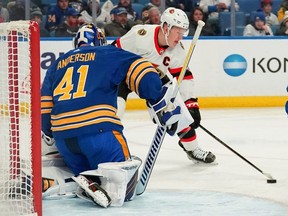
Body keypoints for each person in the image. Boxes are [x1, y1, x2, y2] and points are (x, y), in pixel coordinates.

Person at [41, 23, 181, 207]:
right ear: (100, 40)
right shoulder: (107, 53)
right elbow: (142, 70)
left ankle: (71, 181)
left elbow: (44, 108)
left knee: (83, 172)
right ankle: (101, 182)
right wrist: (158, 99)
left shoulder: (57, 64)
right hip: (99, 134)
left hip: (65, 140)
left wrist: (52, 136)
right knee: (125, 185)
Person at [114, 7, 216, 164]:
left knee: (175, 110)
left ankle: (191, 148)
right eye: (178, 32)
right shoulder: (140, 34)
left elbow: (184, 75)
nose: (180, 37)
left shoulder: (178, 50)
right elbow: (114, 51)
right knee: (115, 111)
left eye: (183, 33)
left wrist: (190, 104)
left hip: (153, 79)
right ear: (166, 27)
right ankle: (110, 149)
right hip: (124, 75)